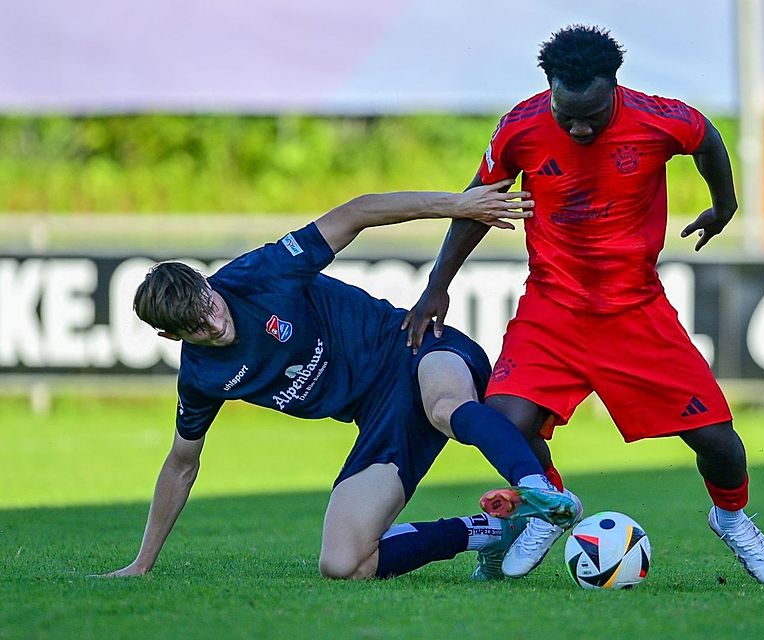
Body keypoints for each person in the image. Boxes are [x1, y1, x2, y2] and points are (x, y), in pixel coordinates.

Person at [403, 25, 764, 584]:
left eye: (593, 115)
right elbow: (475, 204)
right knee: (505, 423)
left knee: (718, 441)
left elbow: (708, 141)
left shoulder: (660, 119)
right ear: (550, 88)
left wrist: (723, 205)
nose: (579, 126)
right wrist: (438, 284)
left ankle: (731, 517)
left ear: (614, 88)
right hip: (551, 309)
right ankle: (551, 505)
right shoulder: (520, 127)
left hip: (636, 310)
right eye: (567, 113)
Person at [98, 181, 580, 582]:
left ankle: (539, 494)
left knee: (444, 407)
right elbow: (182, 464)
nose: (214, 323)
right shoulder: (202, 377)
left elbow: (358, 212)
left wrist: (457, 204)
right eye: (196, 327)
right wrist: (142, 564)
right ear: (170, 335)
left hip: (414, 347)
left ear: (207, 283)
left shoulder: (258, 275)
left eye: (210, 305)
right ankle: (491, 531)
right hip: (380, 419)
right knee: (343, 563)